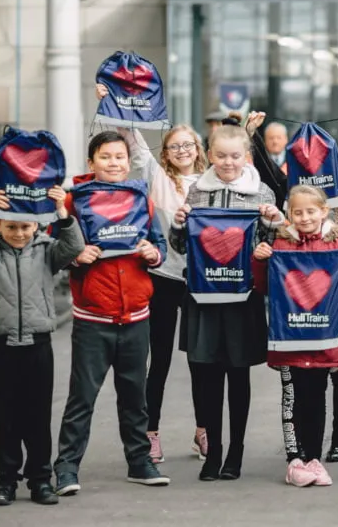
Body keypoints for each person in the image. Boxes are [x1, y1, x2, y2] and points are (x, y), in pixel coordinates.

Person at [96, 83, 211, 464]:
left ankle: (204, 430)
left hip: (201, 283)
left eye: (188, 145)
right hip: (164, 279)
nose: (182, 151)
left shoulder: (212, 185)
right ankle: (151, 433)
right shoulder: (158, 180)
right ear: (167, 152)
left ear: (198, 149)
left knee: (201, 360)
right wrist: (109, 100)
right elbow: (134, 139)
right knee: (158, 360)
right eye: (175, 146)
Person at [53, 131, 170, 496]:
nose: (114, 163)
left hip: (136, 317)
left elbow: (160, 244)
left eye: (120, 156)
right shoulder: (73, 202)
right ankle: (67, 469)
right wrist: (75, 255)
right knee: (82, 398)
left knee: (135, 398)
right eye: (106, 157)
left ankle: (140, 462)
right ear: (92, 162)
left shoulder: (142, 200)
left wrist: (154, 254)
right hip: (93, 319)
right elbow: (53, 250)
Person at [0, 186, 84, 506]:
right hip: (3, 346)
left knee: (37, 416)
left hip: (39, 346)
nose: (18, 233)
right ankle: (6, 481)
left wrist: (61, 210)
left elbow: (74, 245)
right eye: (10, 226)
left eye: (25, 227)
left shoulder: (46, 251)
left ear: (37, 226)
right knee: (6, 416)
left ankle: (40, 479)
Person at [169, 125, 283, 482]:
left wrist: (273, 226)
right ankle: (212, 451)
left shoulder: (261, 191)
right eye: (220, 156)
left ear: (246, 155)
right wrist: (177, 225)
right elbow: (181, 245)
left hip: (242, 297)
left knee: (237, 373)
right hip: (202, 296)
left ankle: (235, 452)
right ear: (210, 154)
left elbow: (270, 242)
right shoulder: (196, 191)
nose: (228, 163)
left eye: (235, 156)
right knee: (204, 373)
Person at [259, 185, 338, 487]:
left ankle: (314, 459)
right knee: (292, 397)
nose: (304, 217)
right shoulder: (280, 243)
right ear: (289, 215)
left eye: (310, 211)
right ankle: (295, 459)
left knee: (317, 397)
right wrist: (260, 260)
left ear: (324, 212)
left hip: (323, 339)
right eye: (297, 212)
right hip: (290, 337)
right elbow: (266, 288)